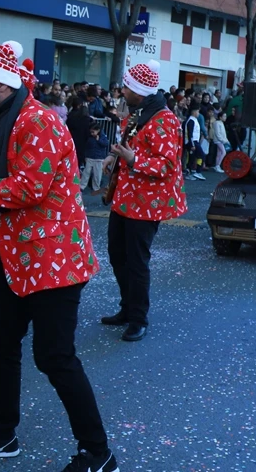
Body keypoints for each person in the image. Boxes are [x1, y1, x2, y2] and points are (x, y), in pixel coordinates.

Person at [0, 41, 118, 472]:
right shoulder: (0, 123)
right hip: (10, 258)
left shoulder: (39, 122)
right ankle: (2, 435)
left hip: (54, 261)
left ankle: (98, 453)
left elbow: (26, 190)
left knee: (54, 357)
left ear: (2, 84)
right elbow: (0, 201)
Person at [101, 61, 186, 343]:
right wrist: (114, 157)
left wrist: (132, 159)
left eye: (127, 87)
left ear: (140, 91)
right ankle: (126, 308)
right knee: (116, 254)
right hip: (125, 198)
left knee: (137, 262)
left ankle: (138, 318)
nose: (123, 91)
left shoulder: (164, 120)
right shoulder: (137, 112)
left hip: (147, 203)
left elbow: (165, 166)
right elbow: (129, 146)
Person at [79, 122, 109, 194]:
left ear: (98, 130)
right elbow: (87, 147)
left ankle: (96, 188)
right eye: (91, 132)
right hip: (90, 157)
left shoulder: (102, 136)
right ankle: (81, 186)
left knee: (97, 174)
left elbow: (106, 144)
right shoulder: (90, 137)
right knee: (86, 173)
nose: (92, 133)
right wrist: (86, 156)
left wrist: (99, 140)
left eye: (93, 132)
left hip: (99, 158)